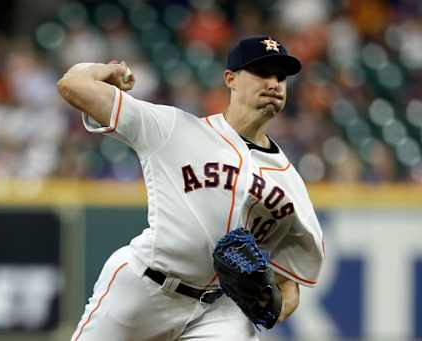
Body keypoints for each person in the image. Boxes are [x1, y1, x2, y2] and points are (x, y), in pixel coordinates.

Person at [57, 36, 324, 341]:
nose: (274, 83)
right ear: (231, 79)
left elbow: (290, 283)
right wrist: (105, 70)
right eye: (262, 72)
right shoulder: (173, 129)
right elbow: (72, 85)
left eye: (281, 76)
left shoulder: (291, 184)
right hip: (143, 288)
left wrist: (275, 308)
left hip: (216, 311)